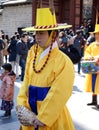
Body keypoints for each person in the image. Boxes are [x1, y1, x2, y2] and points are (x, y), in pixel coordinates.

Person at [16, 5, 75, 130]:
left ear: (53, 34)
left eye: (41, 33)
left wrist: (43, 118)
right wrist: (21, 106)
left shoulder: (63, 61)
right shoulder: (33, 55)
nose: (37, 36)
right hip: (30, 115)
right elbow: (25, 82)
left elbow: (59, 92)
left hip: (51, 118)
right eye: (36, 33)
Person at [84, 24, 99, 108]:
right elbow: (87, 52)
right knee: (93, 84)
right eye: (96, 34)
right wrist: (89, 57)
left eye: (98, 34)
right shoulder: (92, 44)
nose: (97, 36)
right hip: (93, 67)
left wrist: (97, 57)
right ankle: (94, 100)